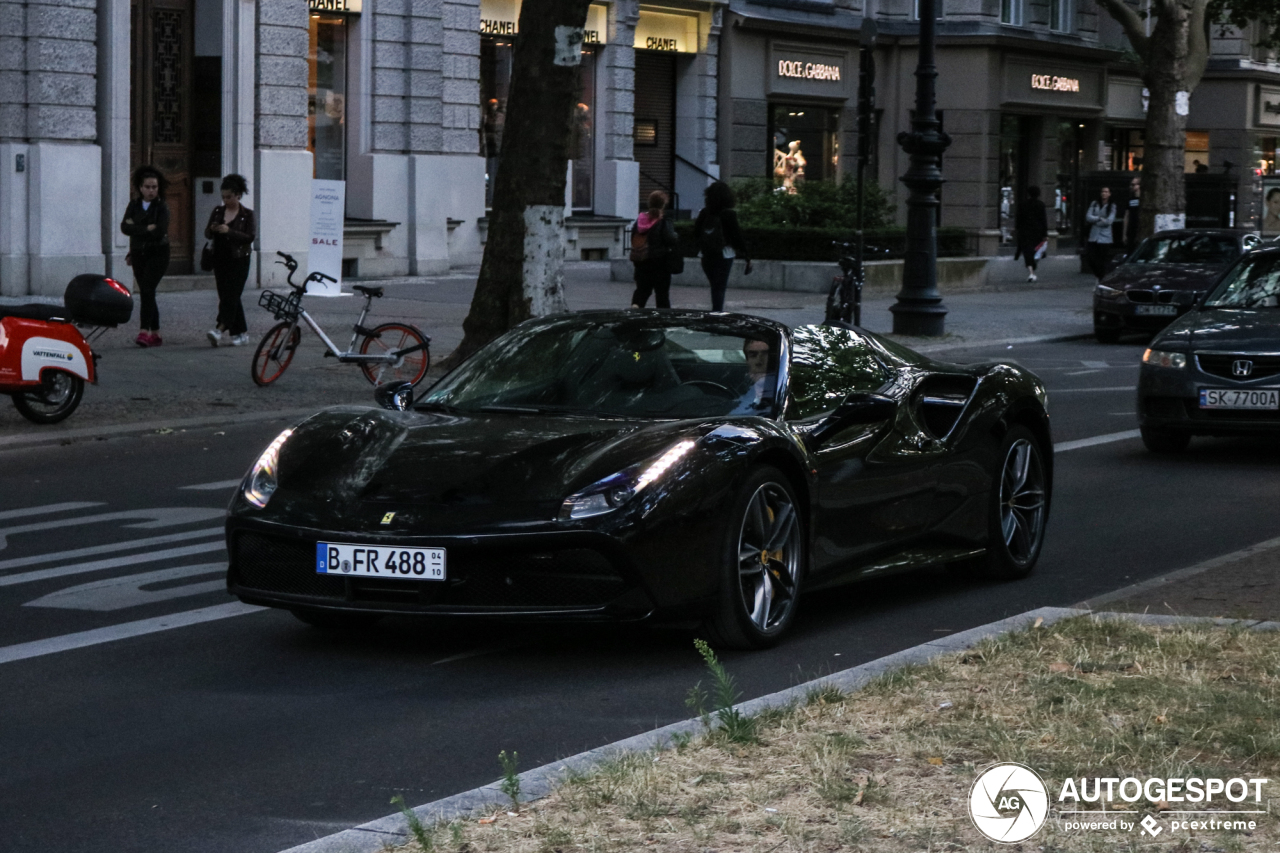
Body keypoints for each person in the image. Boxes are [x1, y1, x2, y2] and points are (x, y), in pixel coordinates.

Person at [119, 165, 171, 347]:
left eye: (154, 187)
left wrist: (137, 228)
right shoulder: (134, 205)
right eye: (148, 187)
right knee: (147, 292)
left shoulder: (161, 206)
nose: (151, 191)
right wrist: (146, 228)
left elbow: (160, 231)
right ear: (140, 188)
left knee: (147, 289)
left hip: (158, 253)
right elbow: (125, 227)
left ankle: (144, 331)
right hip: (139, 253)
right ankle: (156, 333)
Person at [204, 174, 256, 346]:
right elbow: (206, 233)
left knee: (231, 295)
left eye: (229, 197)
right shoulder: (218, 211)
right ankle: (240, 333)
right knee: (227, 296)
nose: (226, 200)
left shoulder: (247, 214)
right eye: (224, 197)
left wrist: (229, 231)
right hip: (220, 258)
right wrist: (213, 229)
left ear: (238, 195)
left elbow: (250, 236)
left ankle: (219, 329)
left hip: (239, 259)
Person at [695, 181, 752, 312]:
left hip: (706, 253)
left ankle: (715, 313)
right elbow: (737, 237)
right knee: (719, 287)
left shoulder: (704, 212)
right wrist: (747, 256)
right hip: (724, 254)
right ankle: (717, 315)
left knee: (714, 285)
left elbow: (696, 233)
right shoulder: (729, 214)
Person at [630, 191, 679, 309]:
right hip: (660, 262)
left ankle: (636, 306)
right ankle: (663, 319)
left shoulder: (640, 219)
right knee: (662, 293)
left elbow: (633, 236)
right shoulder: (664, 221)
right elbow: (670, 238)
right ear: (663, 204)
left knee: (642, 290)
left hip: (641, 261)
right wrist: (677, 236)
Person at [730, 337, 776, 415]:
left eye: (765, 354)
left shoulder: (788, 398)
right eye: (753, 355)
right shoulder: (737, 395)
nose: (759, 362)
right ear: (747, 361)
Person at [1014, 186, 1049, 282]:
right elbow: (1044, 220)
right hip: (1037, 232)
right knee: (1036, 251)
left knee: (1027, 252)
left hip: (1025, 231)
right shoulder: (1041, 205)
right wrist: (1045, 234)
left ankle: (1031, 272)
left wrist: (1017, 228)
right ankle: (1032, 269)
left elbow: (1018, 218)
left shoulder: (1022, 205)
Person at [1084, 187, 1117, 282]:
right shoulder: (1094, 203)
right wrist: (1099, 218)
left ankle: (1101, 279)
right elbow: (1088, 217)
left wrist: (1096, 221)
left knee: (1102, 260)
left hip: (1105, 238)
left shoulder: (1112, 205)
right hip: (1093, 236)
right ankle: (1099, 276)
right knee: (1091, 258)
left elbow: (1109, 221)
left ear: (1110, 194)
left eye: (1106, 192)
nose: (1104, 193)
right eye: (1102, 191)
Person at [1122, 177, 1142, 252]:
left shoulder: (1143, 199)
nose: (1131, 187)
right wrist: (1124, 234)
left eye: (1133, 185)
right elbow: (1126, 216)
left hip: (1140, 229)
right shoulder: (1130, 199)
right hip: (1131, 230)